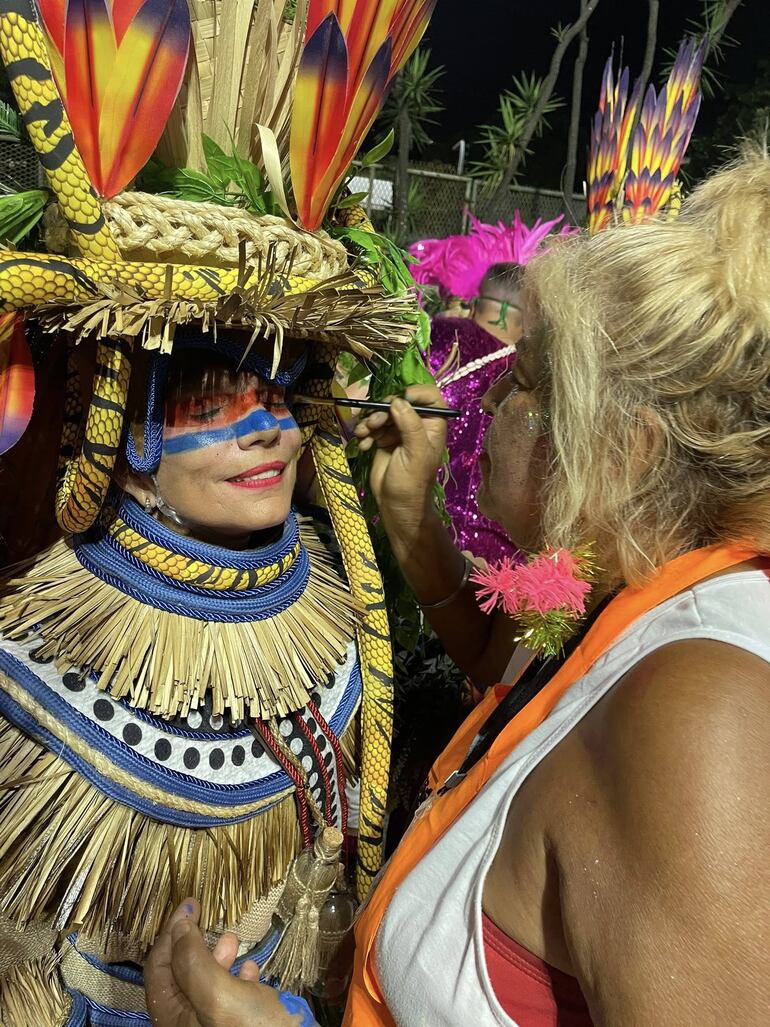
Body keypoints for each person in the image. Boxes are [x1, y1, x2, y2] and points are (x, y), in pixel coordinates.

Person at [146, 149, 770, 1025]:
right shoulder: (632, 567)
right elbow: (516, 684)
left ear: (615, 455)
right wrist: (413, 520)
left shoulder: (698, 725)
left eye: (519, 380)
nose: (483, 402)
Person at [0, 0, 432, 1022]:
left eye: (281, 387)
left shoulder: (334, 634)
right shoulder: (31, 647)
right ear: (117, 409)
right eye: (207, 390)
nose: (267, 428)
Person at [428, 263, 523, 570]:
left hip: (400, 531)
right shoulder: (530, 377)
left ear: (477, 301)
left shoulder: (433, 333)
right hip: (493, 566)